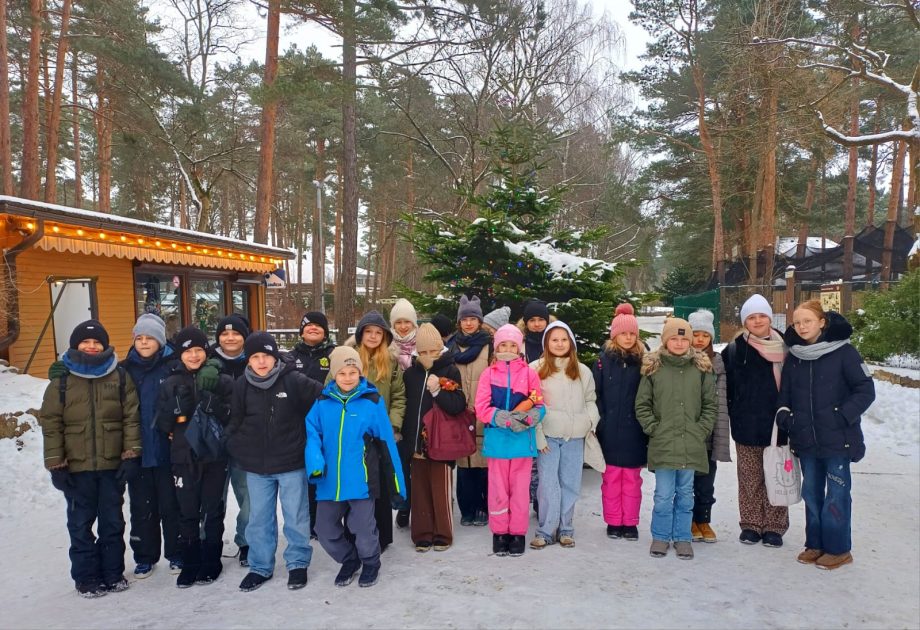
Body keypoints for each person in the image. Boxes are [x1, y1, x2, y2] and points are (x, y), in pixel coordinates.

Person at [41, 320, 141, 598]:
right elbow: (51, 422)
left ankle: (112, 572)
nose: (91, 346)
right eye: (86, 343)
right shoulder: (61, 380)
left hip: (112, 466)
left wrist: (131, 455)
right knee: (80, 524)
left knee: (112, 523)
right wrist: (55, 463)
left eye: (97, 342)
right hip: (76, 467)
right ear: (75, 346)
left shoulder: (119, 377)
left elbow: (131, 417)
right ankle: (86, 577)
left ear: (105, 346)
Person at [777, 301, 875, 570]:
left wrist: (841, 415)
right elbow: (785, 394)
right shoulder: (795, 356)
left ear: (822, 322)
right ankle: (815, 544)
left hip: (837, 441)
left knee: (837, 494)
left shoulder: (845, 353)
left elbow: (865, 390)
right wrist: (786, 418)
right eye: (797, 322)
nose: (802, 326)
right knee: (811, 493)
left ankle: (839, 548)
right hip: (806, 440)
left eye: (807, 321)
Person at [228, 332, 323, 591]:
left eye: (266, 356)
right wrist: (239, 447)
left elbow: (323, 398)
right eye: (255, 357)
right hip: (257, 466)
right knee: (259, 519)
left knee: (295, 516)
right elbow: (234, 421)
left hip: (291, 462)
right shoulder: (242, 385)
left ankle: (298, 563)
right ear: (248, 360)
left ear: (275, 357)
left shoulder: (293, 380)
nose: (261, 362)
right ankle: (260, 566)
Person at [306, 346, 407, 588]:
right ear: (334, 375)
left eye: (353, 372)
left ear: (360, 373)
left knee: (362, 526)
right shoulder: (322, 403)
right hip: (329, 481)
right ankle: (349, 559)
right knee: (324, 529)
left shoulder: (371, 402)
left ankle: (371, 562)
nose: (348, 377)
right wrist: (316, 464)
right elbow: (312, 435)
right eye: (342, 373)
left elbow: (386, 445)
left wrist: (397, 485)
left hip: (360, 480)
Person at [156, 325, 234, 588]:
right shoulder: (170, 382)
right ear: (180, 354)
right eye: (188, 351)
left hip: (214, 456)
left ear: (206, 351)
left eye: (199, 350)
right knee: (187, 512)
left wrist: (219, 408)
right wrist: (173, 411)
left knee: (212, 509)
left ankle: (212, 559)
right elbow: (161, 425)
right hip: (182, 456)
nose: (193, 356)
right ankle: (190, 561)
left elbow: (234, 414)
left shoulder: (221, 379)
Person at [635, 317, 716, 560]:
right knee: (662, 494)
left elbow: (710, 405)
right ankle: (660, 535)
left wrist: (700, 430)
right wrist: (654, 428)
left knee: (685, 494)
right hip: (663, 444)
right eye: (674, 338)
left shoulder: (701, 369)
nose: (679, 343)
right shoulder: (654, 368)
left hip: (691, 443)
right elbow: (642, 404)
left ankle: (682, 537)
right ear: (665, 341)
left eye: (684, 338)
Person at [722, 294, 790, 547]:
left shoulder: (786, 347)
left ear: (770, 318)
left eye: (762, 315)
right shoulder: (734, 350)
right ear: (744, 321)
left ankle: (774, 526)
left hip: (779, 426)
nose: (758, 320)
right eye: (752, 317)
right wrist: (735, 412)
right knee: (750, 479)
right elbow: (725, 387)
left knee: (777, 477)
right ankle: (750, 524)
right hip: (747, 425)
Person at [474, 324, 544, 558]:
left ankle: (517, 533)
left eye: (512, 344)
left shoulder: (529, 374)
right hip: (497, 443)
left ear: (519, 347)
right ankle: (500, 532)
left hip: (522, 443)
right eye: (503, 344)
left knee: (520, 491)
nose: (508, 348)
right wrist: (501, 417)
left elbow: (540, 405)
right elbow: (481, 407)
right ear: (496, 347)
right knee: (498, 490)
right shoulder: (489, 374)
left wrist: (527, 419)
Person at [122, 313, 182, 579]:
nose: (144, 343)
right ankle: (144, 556)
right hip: (138, 450)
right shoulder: (123, 370)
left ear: (160, 340)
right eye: (140, 338)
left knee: (172, 505)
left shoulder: (172, 366)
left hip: (167, 450)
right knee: (142, 508)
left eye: (150, 338)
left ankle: (176, 552)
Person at [529, 321, 598, 549]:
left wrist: (590, 421)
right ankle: (546, 529)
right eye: (554, 339)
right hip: (548, 435)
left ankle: (566, 528)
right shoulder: (535, 368)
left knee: (570, 482)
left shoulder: (582, 371)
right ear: (547, 343)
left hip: (575, 435)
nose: (559, 344)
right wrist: (538, 434)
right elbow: (532, 404)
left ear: (571, 342)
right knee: (548, 484)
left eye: (564, 339)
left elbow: (590, 400)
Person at [401, 324, 467, 551]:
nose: (430, 356)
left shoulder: (450, 371)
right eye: (425, 352)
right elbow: (408, 409)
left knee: (440, 491)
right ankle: (422, 534)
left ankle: (442, 534)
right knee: (419, 491)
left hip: (441, 443)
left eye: (434, 351)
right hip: (416, 444)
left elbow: (458, 405)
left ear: (441, 349)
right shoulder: (410, 374)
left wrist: (438, 391)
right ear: (418, 352)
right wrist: (407, 441)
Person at [200, 314, 253, 566]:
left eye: (235, 334)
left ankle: (247, 541)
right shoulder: (204, 361)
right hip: (213, 441)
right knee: (211, 498)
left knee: (249, 497)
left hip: (245, 441)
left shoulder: (255, 361)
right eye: (224, 334)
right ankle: (208, 543)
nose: (230, 338)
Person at [353, 310, 407, 546]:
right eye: (369, 332)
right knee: (358, 484)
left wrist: (393, 425)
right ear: (361, 334)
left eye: (378, 333)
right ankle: (357, 534)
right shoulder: (349, 358)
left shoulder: (391, 362)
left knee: (382, 484)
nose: (373, 336)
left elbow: (398, 396)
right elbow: (331, 390)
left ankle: (383, 536)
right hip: (354, 432)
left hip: (382, 432)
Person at [594, 303, 645, 541]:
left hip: (635, 431)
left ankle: (631, 521)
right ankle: (614, 521)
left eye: (632, 333)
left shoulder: (643, 361)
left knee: (632, 480)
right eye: (623, 333)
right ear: (614, 335)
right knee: (612, 478)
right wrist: (602, 421)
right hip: (610, 431)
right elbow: (596, 393)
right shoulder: (604, 360)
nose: (628, 337)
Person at [285, 310, 336, 537]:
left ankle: (327, 520)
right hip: (298, 424)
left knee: (326, 471)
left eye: (318, 326)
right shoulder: (289, 357)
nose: (313, 328)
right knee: (304, 475)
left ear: (325, 332)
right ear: (301, 331)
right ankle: (307, 520)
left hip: (328, 423)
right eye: (308, 326)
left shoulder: (334, 354)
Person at [687, 309, 732, 543]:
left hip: (709, 432)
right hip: (687, 431)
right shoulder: (683, 359)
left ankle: (703, 519)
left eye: (705, 335)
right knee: (687, 480)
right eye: (696, 334)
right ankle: (689, 520)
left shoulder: (718, 362)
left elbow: (722, 398)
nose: (700, 339)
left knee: (706, 480)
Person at [449, 295, 493, 527]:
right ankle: (467, 509)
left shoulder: (489, 344)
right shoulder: (451, 346)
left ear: (479, 321)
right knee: (464, 465)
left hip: (482, 412)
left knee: (482, 463)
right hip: (458, 412)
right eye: (464, 319)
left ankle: (483, 507)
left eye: (473, 319)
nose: (468, 323)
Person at [389, 298, 418, 370]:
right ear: (393, 325)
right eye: (398, 322)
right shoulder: (385, 343)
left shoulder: (424, 342)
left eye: (407, 321)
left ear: (413, 323)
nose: (403, 326)